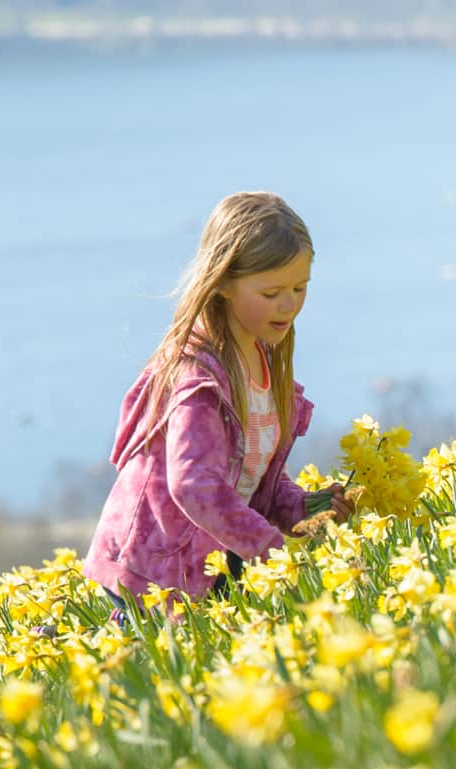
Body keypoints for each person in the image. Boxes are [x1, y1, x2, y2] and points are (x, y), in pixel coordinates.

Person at [82, 191, 353, 625]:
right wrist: (269, 548)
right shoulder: (198, 377)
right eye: (272, 292)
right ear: (223, 281)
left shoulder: (261, 360)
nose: (289, 305)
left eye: (300, 288)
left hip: (211, 562)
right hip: (155, 572)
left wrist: (304, 510)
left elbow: (250, 480)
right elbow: (195, 486)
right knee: (153, 665)